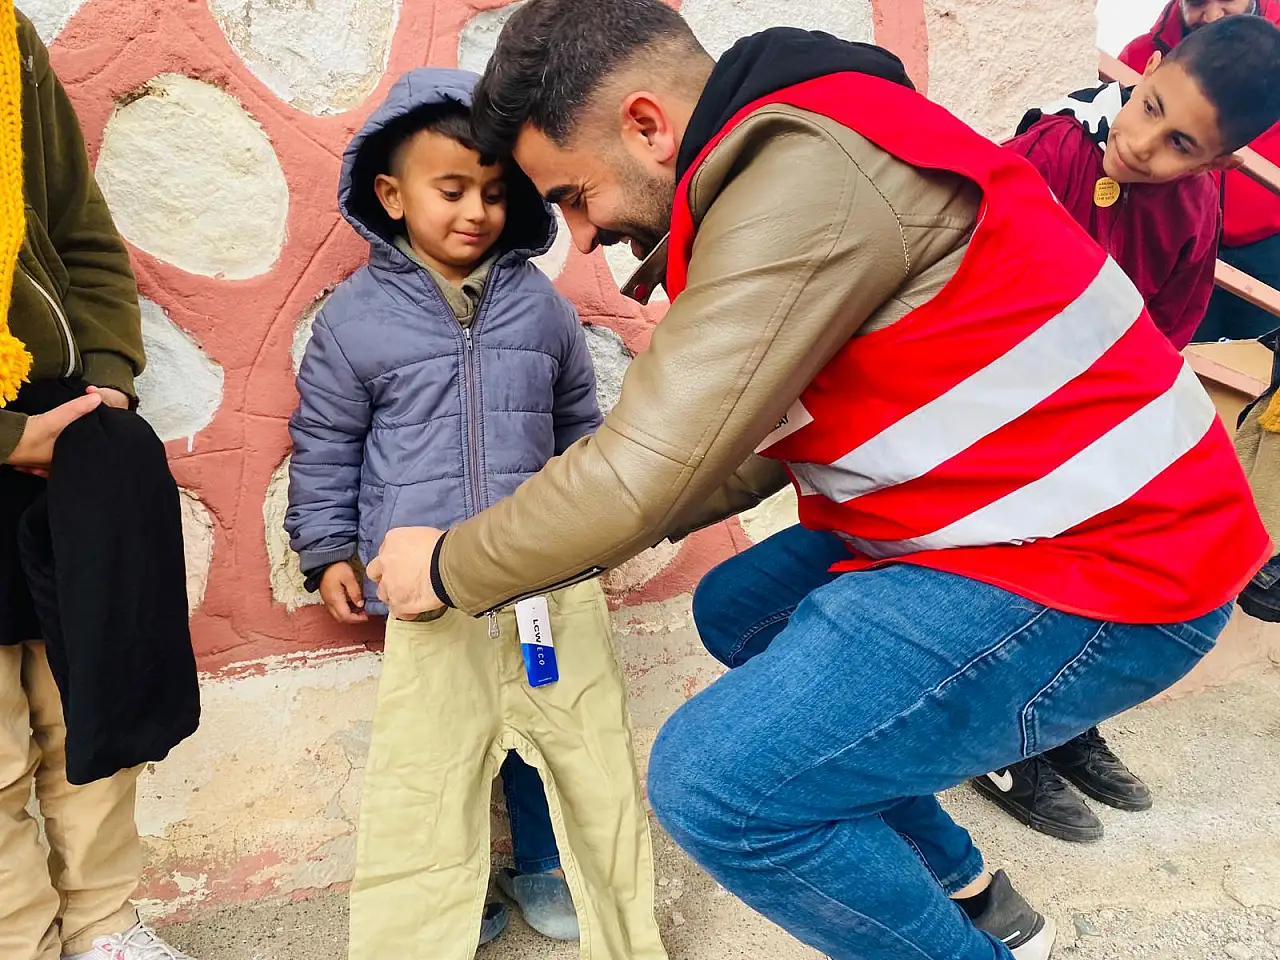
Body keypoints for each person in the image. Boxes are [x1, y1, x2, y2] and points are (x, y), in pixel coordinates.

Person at [366, 2, 1268, 959]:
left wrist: (454, 563)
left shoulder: (803, 175)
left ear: (646, 124)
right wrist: (554, 525)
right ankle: (961, 880)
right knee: (741, 608)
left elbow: (648, 470)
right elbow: (730, 444)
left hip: (1118, 564)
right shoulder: (813, 143)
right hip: (1024, 520)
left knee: (718, 785)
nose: (583, 238)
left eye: (576, 196)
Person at [286, 68, 665, 960]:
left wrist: (594, 529)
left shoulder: (541, 308)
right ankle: (453, 902)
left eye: (496, 193)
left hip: (537, 577)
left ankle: (544, 865)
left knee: (556, 738)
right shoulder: (355, 321)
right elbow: (326, 441)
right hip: (425, 584)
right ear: (391, 194)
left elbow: (579, 427)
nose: (475, 211)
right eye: (450, 189)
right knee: (444, 756)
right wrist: (329, 548)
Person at [970, 14, 1280, 843]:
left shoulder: (1191, 208)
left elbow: (1166, 335)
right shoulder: (1052, 149)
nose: (1145, 146)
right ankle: (999, 744)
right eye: (1149, 108)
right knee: (1005, 587)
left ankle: (1062, 723)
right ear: (1147, 72)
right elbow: (983, 282)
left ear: (1215, 164)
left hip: (1088, 424)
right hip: (998, 416)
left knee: (1094, 580)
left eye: (1180, 143)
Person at [0, 5, 197, 960]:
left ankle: (105, 928)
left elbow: (76, 228)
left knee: (94, 696)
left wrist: (109, 379)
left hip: (69, 428)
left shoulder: (5, 41)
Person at [1118, 0, 1280, 342]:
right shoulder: (1138, 54)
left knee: (1265, 356)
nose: (1209, 16)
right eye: (1197, 2)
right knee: (1188, 355)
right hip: (1178, 249)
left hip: (1269, 246)